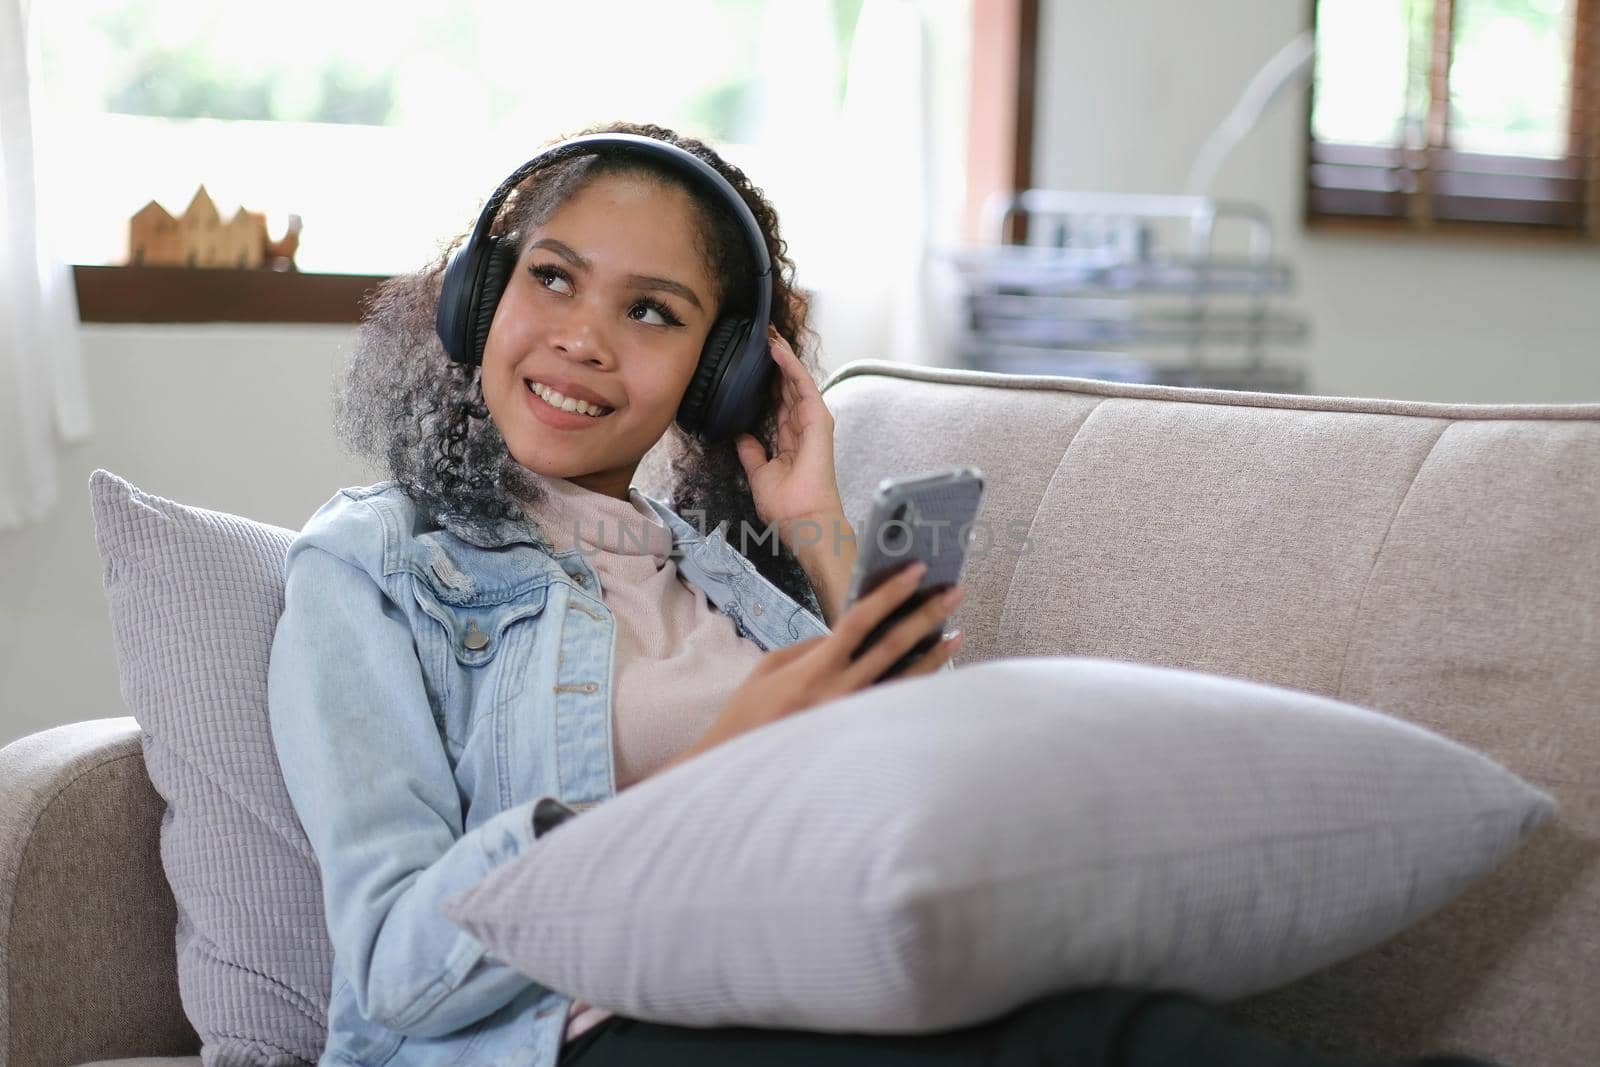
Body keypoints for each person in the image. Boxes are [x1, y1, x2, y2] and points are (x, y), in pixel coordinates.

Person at [266, 120, 1505, 1067]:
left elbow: (927, 806)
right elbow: (390, 964)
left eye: (651, 311)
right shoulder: (373, 565)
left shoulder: (722, 582)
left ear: (720, 370)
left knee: (1131, 1027)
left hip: (806, 976)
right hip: (578, 1037)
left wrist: (816, 529)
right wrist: (710, 766)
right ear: (482, 296)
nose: (584, 336)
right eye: (551, 277)